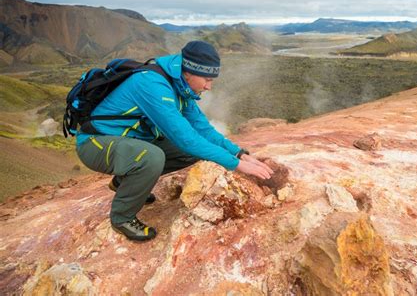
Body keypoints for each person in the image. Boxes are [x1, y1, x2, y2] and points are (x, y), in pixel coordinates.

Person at [76, 40, 274, 241]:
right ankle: (121, 217)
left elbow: (203, 129)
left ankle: (123, 183)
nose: (208, 86)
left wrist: (239, 153)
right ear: (188, 71)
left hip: (128, 143)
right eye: (206, 79)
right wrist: (236, 165)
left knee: (189, 153)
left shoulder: (181, 86)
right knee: (152, 157)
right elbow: (187, 139)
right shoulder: (152, 85)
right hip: (96, 143)